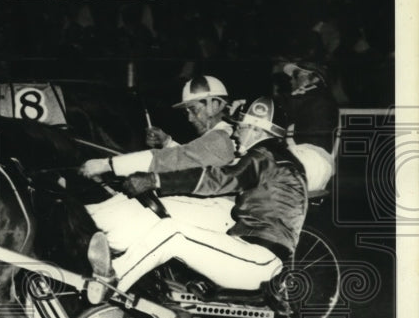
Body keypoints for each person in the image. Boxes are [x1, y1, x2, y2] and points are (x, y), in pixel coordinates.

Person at [85, 97, 308, 306]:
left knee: (173, 233)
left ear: (257, 129)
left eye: (241, 126)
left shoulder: (265, 156)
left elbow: (218, 179)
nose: (236, 132)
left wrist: (156, 179)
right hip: (251, 252)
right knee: (170, 227)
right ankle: (114, 273)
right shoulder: (279, 159)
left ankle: (111, 282)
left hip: (260, 261)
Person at [78, 75, 237, 251]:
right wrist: (167, 142)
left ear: (215, 105)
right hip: (214, 208)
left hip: (219, 212)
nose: (190, 118)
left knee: (137, 210)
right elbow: (195, 158)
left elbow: (178, 159)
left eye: (193, 109)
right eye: (187, 112)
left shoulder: (221, 138)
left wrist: (108, 164)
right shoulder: (223, 136)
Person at [280, 58, 340, 193]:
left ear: (314, 79)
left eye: (296, 75)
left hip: (307, 167)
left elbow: (280, 105)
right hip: (314, 167)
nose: (291, 80)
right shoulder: (322, 98)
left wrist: (246, 103)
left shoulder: (313, 98)